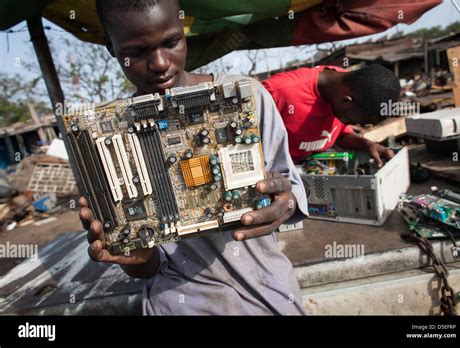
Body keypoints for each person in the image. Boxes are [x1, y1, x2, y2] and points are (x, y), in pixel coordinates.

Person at [79, 0, 308, 315]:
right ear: (111, 47)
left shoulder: (246, 97)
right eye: (139, 51)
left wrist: (286, 201)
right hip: (182, 301)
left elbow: (291, 188)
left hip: (267, 289)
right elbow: (147, 264)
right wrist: (136, 259)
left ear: (183, 29)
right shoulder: (109, 139)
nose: (160, 63)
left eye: (171, 42)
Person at [262, 64, 401, 165]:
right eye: (351, 121)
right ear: (345, 100)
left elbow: (339, 135)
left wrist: (367, 144)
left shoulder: (345, 86)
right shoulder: (276, 93)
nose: (350, 125)